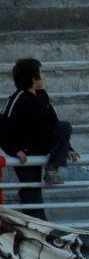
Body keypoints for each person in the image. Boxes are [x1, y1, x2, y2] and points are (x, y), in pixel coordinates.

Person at [3, 58, 79, 220]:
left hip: (42, 145)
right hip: (26, 152)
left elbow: (55, 123)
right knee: (32, 192)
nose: (43, 76)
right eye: (41, 72)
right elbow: (2, 129)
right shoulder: (18, 98)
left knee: (65, 126)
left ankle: (52, 169)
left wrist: (67, 147)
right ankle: (36, 229)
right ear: (33, 78)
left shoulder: (42, 96)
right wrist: (15, 150)